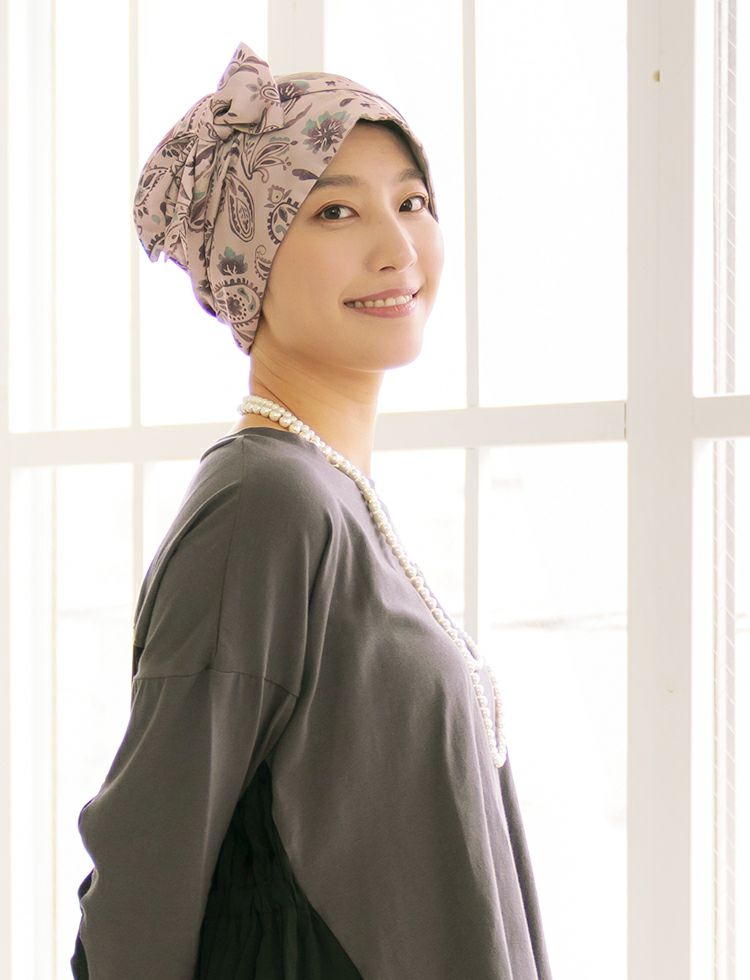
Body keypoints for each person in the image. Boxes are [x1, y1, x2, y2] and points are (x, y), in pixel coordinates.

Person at [70, 42, 553, 980]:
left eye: (411, 202)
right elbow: (142, 877)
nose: (397, 248)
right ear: (249, 262)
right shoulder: (266, 505)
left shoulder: (331, 497)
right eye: (335, 210)